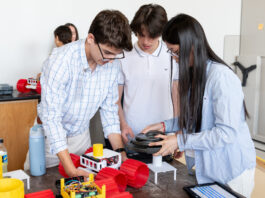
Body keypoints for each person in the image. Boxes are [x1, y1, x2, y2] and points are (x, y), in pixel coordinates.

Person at [142, 14, 256, 198]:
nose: (174, 58)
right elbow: (199, 118)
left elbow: (225, 133)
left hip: (231, 171)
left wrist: (179, 141)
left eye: (176, 52)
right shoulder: (195, 74)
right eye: (170, 52)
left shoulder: (221, 77)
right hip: (209, 171)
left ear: (192, 46)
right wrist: (165, 125)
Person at [38, 10, 132, 178]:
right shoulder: (60, 61)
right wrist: (70, 169)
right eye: (107, 53)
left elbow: (110, 112)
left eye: (116, 55)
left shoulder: (112, 65)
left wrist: (120, 154)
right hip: (49, 141)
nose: (111, 60)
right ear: (91, 39)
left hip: (81, 137)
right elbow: (51, 119)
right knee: (47, 184)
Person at [117, 4, 179, 145]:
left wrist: (177, 131)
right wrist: (123, 125)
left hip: (164, 136)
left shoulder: (172, 55)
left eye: (152, 36)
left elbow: (176, 96)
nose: (145, 41)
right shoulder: (123, 56)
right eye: (141, 35)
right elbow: (115, 99)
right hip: (132, 136)